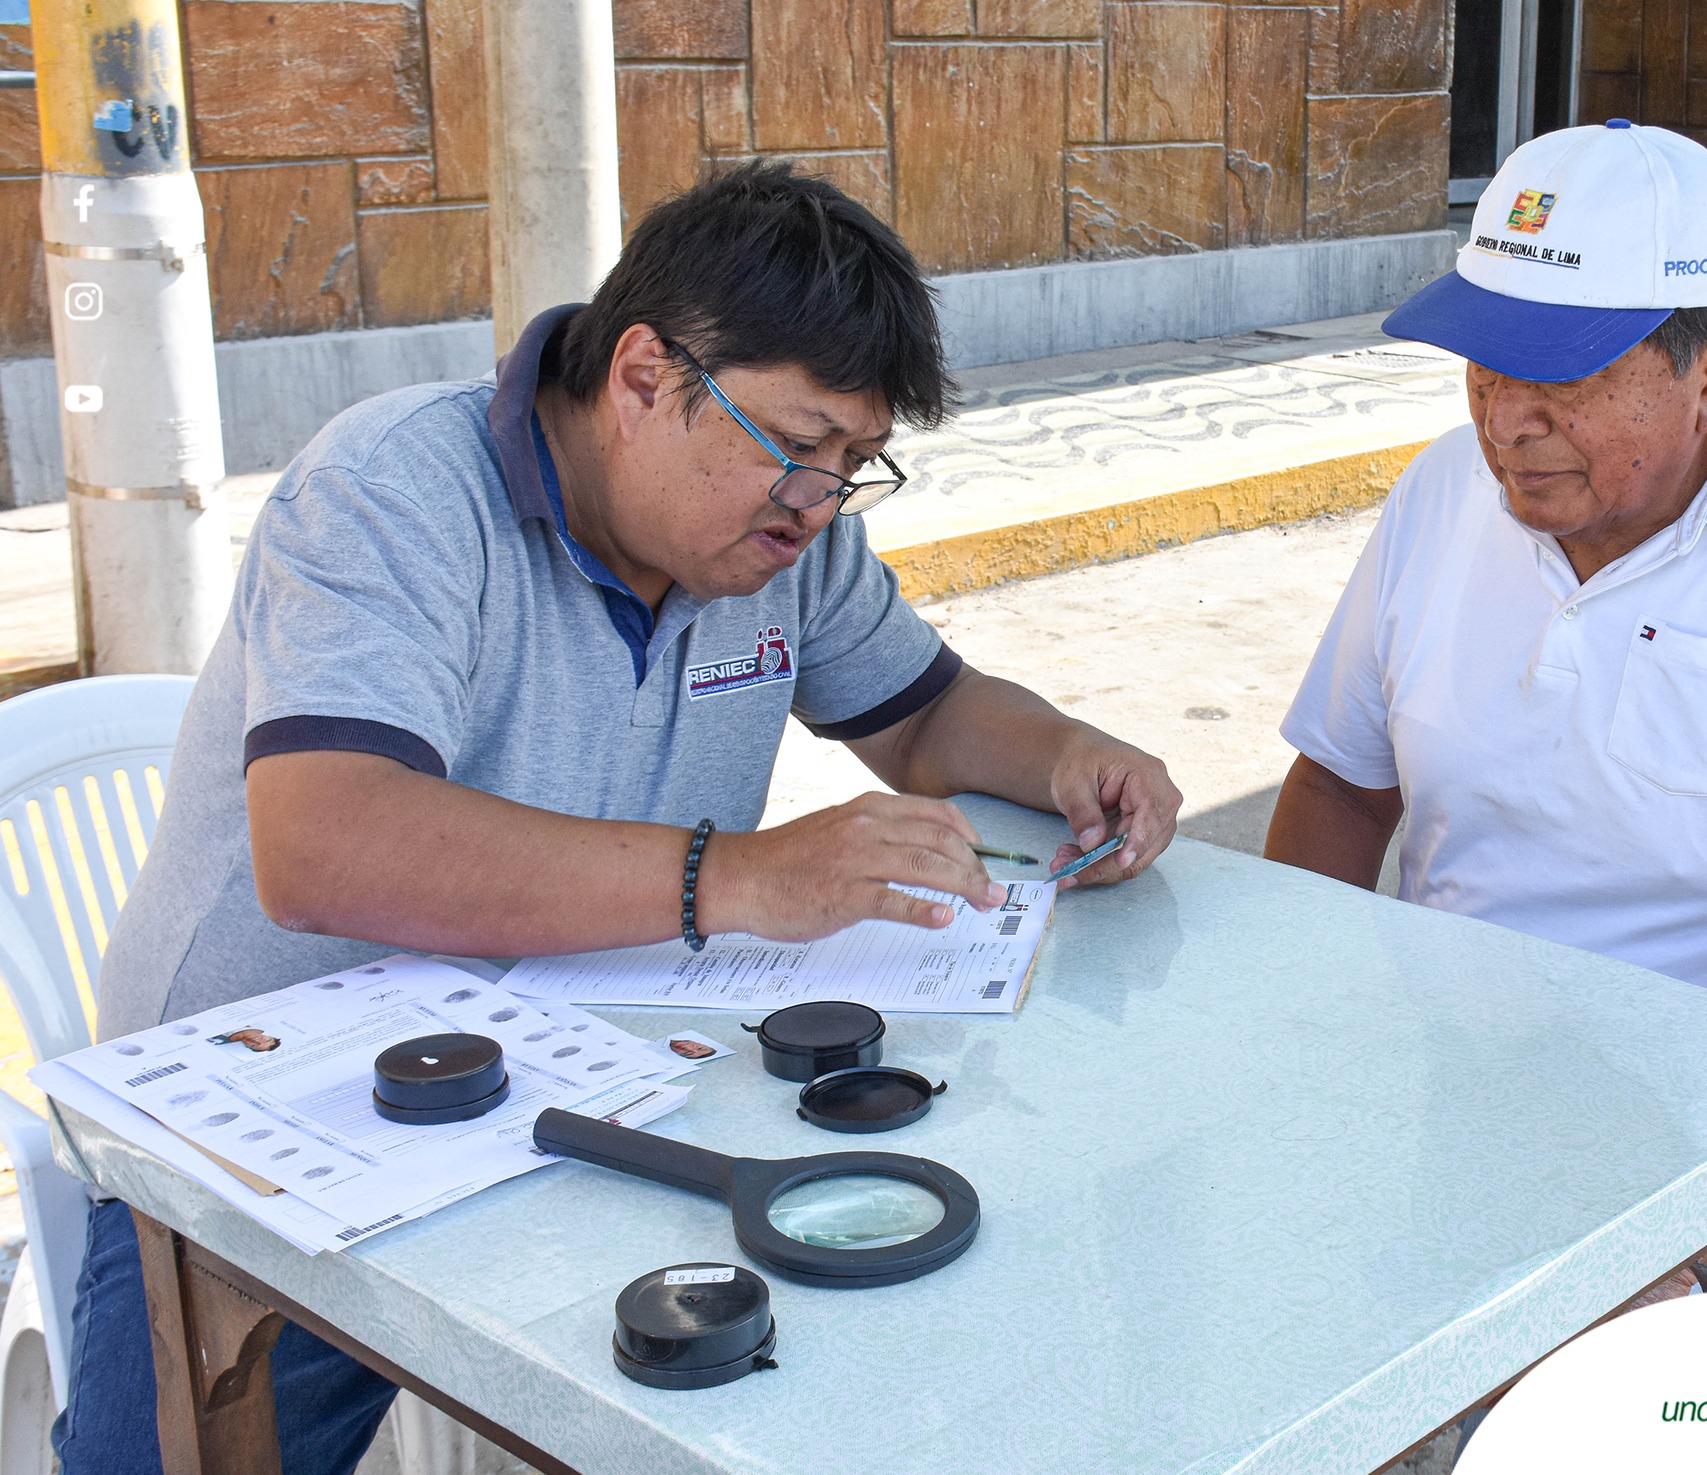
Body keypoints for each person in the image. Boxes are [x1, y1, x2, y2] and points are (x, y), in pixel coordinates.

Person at [72, 163, 1182, 1475]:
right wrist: (741, 877)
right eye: (796, 444)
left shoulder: (788, 545)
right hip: (273, 1120)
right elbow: (326, 843)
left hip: (592, 1076)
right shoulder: (396, 491)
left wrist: (1071, 752)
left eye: (852, 464)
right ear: (648, 376)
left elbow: (925, 715)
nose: (817, 503)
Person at [1266, 124, 1707, 1270]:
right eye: (1481, 360)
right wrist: (1282, 1033)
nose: (1503, 417)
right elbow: (1340, 787)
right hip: (1451, 1065)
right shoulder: (1442, 493)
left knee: (1574, 1356)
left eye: (1558, 373)